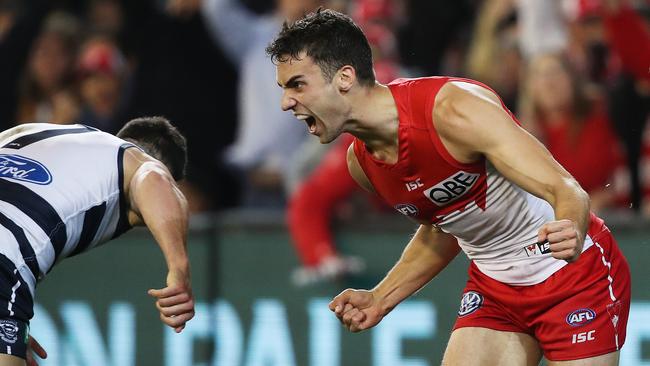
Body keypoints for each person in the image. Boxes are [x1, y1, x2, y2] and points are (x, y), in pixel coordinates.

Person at [266, 9, 631, 365]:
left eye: (298, 84)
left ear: (344, 77)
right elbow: (445, 227)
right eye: (284, 89)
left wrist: (569, 225)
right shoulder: (362, 164)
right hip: (495, 292)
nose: (286, 103)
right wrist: (381, 298)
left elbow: (566, 189)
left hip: (573, 279)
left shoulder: (452, 109)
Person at [0, 117, 195, 365]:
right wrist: (179, 268)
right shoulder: (137, 162)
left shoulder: (31, 131)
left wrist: (10, 328)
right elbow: (154, 177)